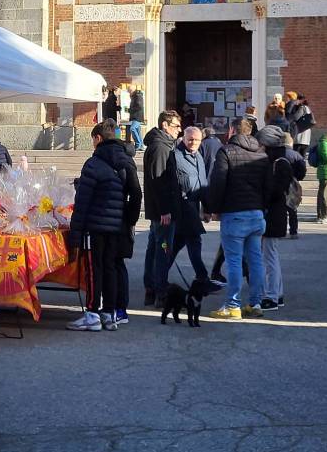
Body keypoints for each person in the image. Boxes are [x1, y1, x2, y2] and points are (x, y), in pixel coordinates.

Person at [67, 120, 141, 332]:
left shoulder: (94, 163)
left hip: (94, 225)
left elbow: (82, 203)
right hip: (116, 226)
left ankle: (92, 313)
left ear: (98, 138)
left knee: (94, 269)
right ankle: (109, 313)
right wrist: (129, 220)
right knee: (110, 268)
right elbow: (136, 193)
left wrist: (75, 234)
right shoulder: (126, 161)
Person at [206, 116, 270, 320]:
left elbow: (218, 182)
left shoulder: (226, 151)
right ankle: (256, 302)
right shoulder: (262, 153)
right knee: (255, 260)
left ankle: (233, 305)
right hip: (256, 213)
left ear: (232, 131)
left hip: (234, 213)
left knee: (234, 261)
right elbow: (268, 184)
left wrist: (213, 208)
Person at [158, 126, 222, 301]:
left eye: (196, 140)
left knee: (175, 246)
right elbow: (167, 186)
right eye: (190, 139)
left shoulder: (199, 157)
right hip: (181, 208)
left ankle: (159, 282)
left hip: (193, 207)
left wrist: (207, 209)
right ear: (184, 139)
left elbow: (203, 185)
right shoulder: (175, 157)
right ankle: (201, 278)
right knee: (194, 242)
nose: (193, 143)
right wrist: (166, 210)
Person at [256, 126, 305, 311]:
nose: (259, 147)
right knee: (271, 255)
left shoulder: (279, 163)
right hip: (274, 215)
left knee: (269, 257)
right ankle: (278, 293)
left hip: (273, 215)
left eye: (261, 143)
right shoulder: (277, 161)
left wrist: (262, 195)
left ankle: (271, 296)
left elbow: (275, 190)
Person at [142, 111, 182, 306]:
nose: (178, 130)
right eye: (175, 126)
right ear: (165, 126)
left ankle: (152, 286)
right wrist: (165, 209)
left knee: (155, 246)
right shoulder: (160, 147)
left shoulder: (163, 145)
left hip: (161, 210)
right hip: (163, 213)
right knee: (163, 248)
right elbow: (158, 180)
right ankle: (160, 290)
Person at [284, 132, 302, 238]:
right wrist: (297, 178)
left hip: (279, 183)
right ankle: (293, 231)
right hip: (292, 183)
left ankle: (281, 231)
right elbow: (302, 170)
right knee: (292, 208)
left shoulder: (276, 153)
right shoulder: (296, 155)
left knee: (280, 209)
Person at [290, 94, 314, 158]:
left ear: (300, 100)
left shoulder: (302, 108)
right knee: (303, 154)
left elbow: (295, 118)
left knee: (297, 154)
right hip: (306, 136)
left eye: (297, 100)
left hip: (300, 134)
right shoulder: (308, 108)